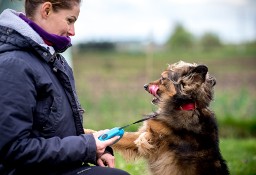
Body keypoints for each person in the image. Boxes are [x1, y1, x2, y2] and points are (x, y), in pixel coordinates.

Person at [0, 1, 130, 175]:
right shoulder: (13, 65)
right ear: (46, 10)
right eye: (70, 20)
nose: (72, 31)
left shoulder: (53, 61)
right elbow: (14, 149)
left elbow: (55, 132)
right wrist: (87, 146)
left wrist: (95, 148)